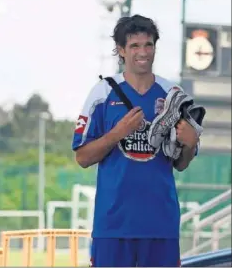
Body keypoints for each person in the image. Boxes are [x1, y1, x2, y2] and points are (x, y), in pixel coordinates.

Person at [72, 15, 200, 267]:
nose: (143, 52)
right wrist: (116, 134)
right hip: (113, 226)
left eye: (148, 45)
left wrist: (190, 143)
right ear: (121, 51)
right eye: (134, 46)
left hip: (161, 225)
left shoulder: (174, 95)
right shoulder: (103, 92)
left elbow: (181, 164)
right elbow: (82, 157)